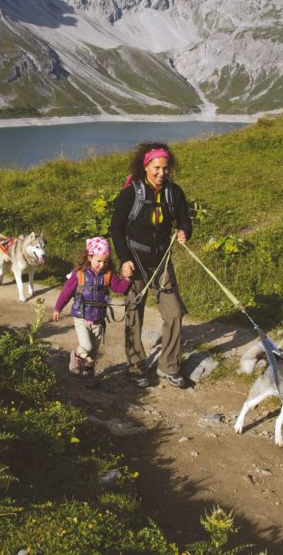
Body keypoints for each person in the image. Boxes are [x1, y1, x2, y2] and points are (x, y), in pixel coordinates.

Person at [109, 142, 192, 388]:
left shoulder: (174, 193)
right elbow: (115, 228)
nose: (161, 173)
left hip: (162, 262)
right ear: (145, 166)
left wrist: (185, 231)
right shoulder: (130, 194)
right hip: (134, 262)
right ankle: (135, 367)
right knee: (134, 314)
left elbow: (185, 219)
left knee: (174, 312)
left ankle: (170, 366)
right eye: (156, 168)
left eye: (165, 169)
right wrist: (124, 259)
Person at [53, 237, 130, 378]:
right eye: (99, 261)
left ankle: (88, 373)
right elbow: (66, 292)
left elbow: (118, 288)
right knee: (86, 346)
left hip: (98, 318)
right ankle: (76, 355)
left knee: (93, 351)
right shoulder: (79, 274)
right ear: (89, 257)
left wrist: (127, 279)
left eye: (105, 261)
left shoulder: (108, 275)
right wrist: (58, 308)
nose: (102, 265)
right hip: (81, 317)